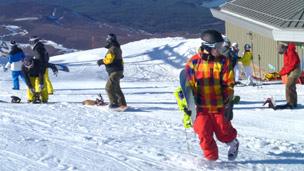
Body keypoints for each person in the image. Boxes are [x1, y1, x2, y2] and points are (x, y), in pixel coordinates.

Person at [185, 30, 238, 161]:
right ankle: (211, 160)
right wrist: (187, 104)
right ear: (208, 47)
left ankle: (233, 143)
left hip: (219, 105)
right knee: (203, 132)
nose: (220, 49)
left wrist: (228, 103)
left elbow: (229, 83)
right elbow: (188, 85)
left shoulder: (223, 62)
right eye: (218, 47)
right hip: (201, 107)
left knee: (223, 132)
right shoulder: (194, 63)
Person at [97, 33, 127, 109]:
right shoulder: (117, 48)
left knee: (109, 87)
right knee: (116, 88)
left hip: (115, 71)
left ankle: (114, 103)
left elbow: (109, 60)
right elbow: (121, 61)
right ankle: (122, 104)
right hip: (117, 71)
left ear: (109, 40)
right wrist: (121, 72)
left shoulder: (112, 49)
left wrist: (102, 61)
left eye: (107, 39)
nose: (106, 41)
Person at [277, 43, 301, 109]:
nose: (282, 53)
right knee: (292, 86)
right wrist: (280, 72)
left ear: (284, 48)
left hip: (295, 70)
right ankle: (294, 102)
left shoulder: (290, 52)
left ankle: (290, 103)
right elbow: (286, 65)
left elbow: (291, 65)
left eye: (282, 52)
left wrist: (283, 73)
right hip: (292, 70)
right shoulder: (286, 53)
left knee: (289, 85)